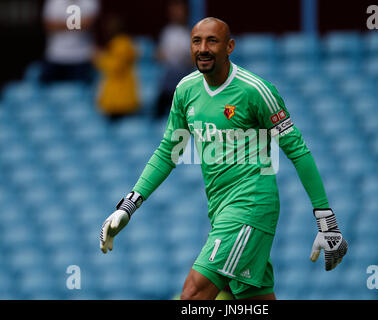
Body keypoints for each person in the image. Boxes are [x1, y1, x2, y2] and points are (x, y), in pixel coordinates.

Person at [99, 18, 348, 300]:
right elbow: (169, 151)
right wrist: (128, 205)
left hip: (250, 207)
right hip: (220, 211)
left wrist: (326, 221)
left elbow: (298, 151)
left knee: (193, 295)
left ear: (230, 46)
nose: (203, 48)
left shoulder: (255, 90)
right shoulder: (185, 90)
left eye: (212, 41)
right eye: (196, 41)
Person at [40, 0, 99, 84]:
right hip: (55, 55)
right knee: (49, 92)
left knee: (80, 93)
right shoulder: (53, 2)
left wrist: (59, 24)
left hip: (82, 57)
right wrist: (77, 24)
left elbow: (88, 24)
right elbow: (48, 26)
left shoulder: (89, 2)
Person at [94, 15, 140, 121]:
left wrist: (99, 58)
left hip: (120, 100)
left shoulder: (122, 44)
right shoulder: (120, 44)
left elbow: (115, 67)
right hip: (118, 99)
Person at [154, 0, 193, 118]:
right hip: (169, 81)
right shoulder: (166, 32)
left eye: (179, 10)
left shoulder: (191, 32)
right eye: (173, 11)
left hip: (184, 81)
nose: (176, 14)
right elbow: (159, 55)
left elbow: (194, 59)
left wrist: (182, 57)